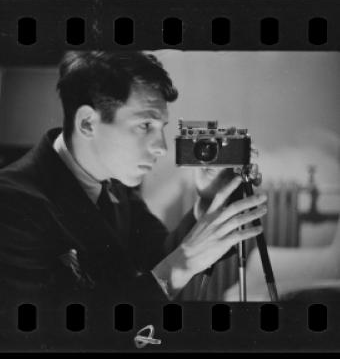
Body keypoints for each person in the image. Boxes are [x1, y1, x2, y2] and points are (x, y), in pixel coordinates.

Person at [0, 51, 267, 307]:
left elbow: (159, 257)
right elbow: (60, 335)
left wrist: (208, 198)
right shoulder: (11, 204)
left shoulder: (113, 184)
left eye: (161, 128)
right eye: (144, 125)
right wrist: (182, 263)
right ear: (88, 124)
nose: (162, 147)